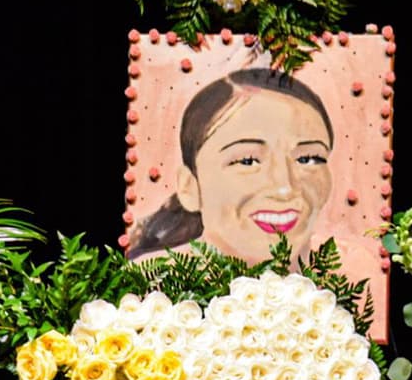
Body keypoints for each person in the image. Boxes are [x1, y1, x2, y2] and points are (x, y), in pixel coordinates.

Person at [128, 68, 334, 265]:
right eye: (247, 161)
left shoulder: (360, 274)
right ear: (189, 187)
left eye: (308, 159)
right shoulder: (146, 289)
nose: (285, 188)